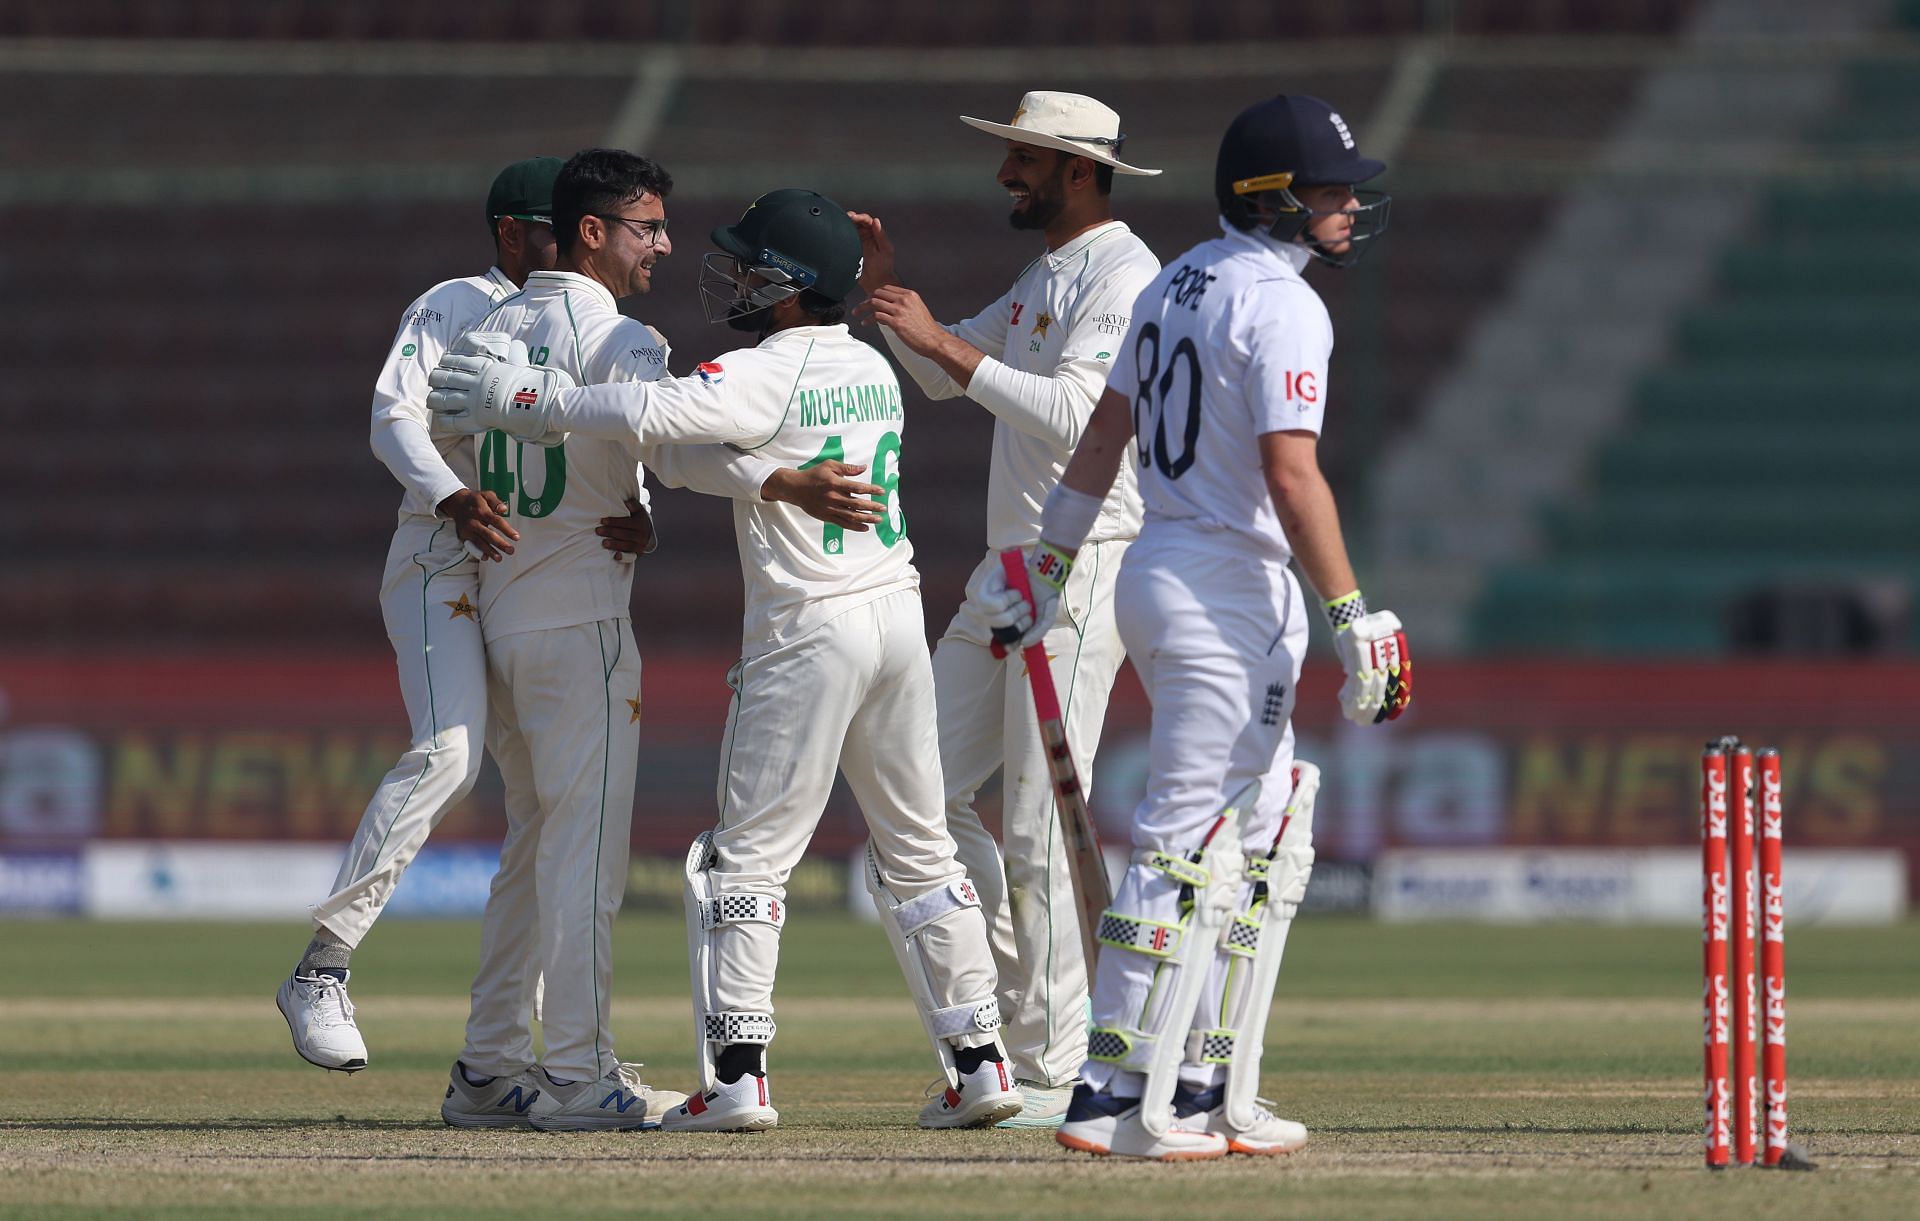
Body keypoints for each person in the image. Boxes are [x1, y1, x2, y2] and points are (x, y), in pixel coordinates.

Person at [426, 188, 1023, 1133]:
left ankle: (738, 1078)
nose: (736, 279)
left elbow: (651, 410)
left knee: (741, 863)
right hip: (897, 620)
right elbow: (701, 458)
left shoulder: (768, 366)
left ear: (788, 286)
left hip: (805, 636)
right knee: (920, 851)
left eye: (753, 267)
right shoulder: (868, 367)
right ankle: (981, 1061)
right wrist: (765, 475)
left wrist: (521, 397)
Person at [985, 94, 1411, 1161]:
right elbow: (1290, 470)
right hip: (1229, 584)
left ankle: (1211, 1085)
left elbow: (1100, 441)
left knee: (1266, 835)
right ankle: (1107, 1093)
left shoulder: (1174, 281)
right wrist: (1355, 611)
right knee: (1184, 837)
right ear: (1273, 198)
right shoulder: (1281, 302)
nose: (1348, 206)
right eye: (1328, 190)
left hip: (1158, 566)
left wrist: (1049, 563)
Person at [276, 156, 658, 1076]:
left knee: (536, 815)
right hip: (438, 555)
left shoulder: (573, 317)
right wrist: (449, 496)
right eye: (543, 232)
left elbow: (603, 429)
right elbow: (390, 416)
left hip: (519, 575)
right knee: (449, 750)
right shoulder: (455, 302)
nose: (558, 247)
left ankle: (497, 1060)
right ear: (509, 234)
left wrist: (642, 502)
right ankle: (322, 965)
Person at [845, 91, 1164, 1128]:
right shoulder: (1046, 273)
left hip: (1079, 565)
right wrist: (900, 312)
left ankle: (1060, 1060)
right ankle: (1011, 1029)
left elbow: (1081, 414)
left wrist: (946, 345)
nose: (1004, 177)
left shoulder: (1124, 272)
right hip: (1007, 572)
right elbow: (946, 382)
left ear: (1078, 169)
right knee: (916, 793)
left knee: (1040, 827)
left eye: (1022, 160)